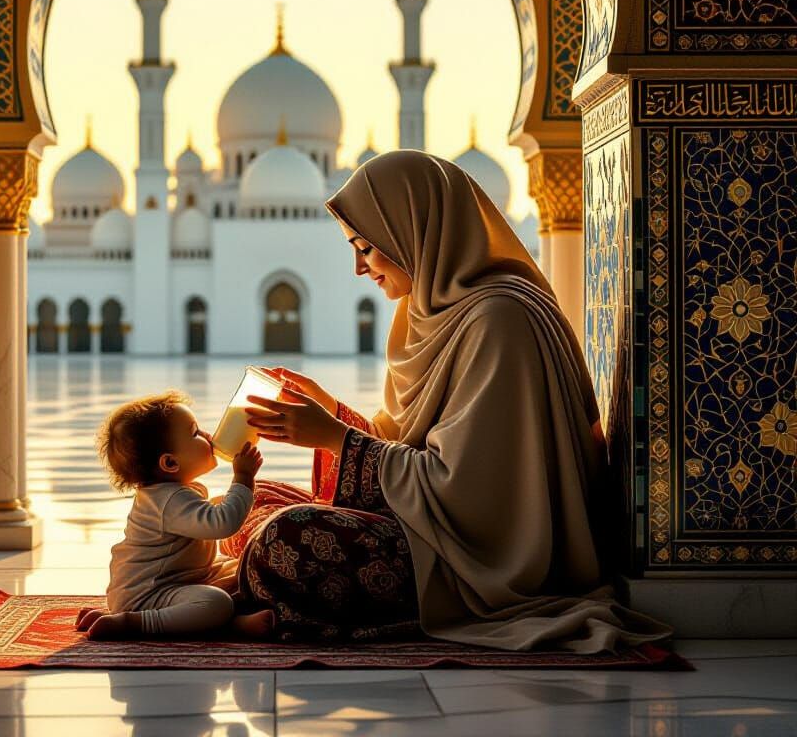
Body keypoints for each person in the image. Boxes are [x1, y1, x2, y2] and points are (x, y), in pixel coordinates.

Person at [226, 148, 672, 652]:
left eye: (366, 248)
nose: (357, 268)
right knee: (252, 504)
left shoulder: (498, 319)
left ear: (412, 231)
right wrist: (333, 413)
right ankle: (266, 597)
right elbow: (411, 449)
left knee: (285, 539)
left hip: (480, 562)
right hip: (432, 528)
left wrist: (334, 438)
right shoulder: (429, 312)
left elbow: (473, 496)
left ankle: (265, 598)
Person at [75, 389, 275, 641]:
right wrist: (243, 479)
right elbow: (222, 524)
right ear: (170, 463)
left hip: (180, 578)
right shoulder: (170, 500)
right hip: (147, 595)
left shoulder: (171, 492)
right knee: (216, 603)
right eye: (195, 433)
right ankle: (133, 623)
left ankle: (221, 621)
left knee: (244, 570)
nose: (207, 435)